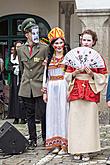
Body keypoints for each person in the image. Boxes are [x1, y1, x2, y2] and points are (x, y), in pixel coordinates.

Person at [64, 29, 108, 161]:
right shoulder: (74, 56)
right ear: (81, 40)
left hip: (90, 90)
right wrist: (75, 72)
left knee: (89, 122)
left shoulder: (97, 58)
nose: (86, 42)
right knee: (76, 121)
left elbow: (104, 77)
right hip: (76, 90)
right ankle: (76, 149)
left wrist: (92, 74)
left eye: (89, 40)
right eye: (84, 39)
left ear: (93, 42)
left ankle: (87, 150)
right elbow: (66, 76)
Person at [17, 18, 49, 149]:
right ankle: (32, 139)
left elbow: (47, 69)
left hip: (39, 86)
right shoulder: (21, 50)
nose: (35, 33)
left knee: (42, 114)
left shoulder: (44, 48)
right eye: (31, 31)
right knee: (29, 115)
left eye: (36, 30)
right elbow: (22, 68)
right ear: (26, 34)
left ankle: (46, 138)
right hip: (26, 87)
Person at [42, 27, 70, 154]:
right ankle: (56, 143)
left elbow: (71, 76)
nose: (58, 45)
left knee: (64, 114)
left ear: (64, 43)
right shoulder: (48, 59)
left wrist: (70, 90)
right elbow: (45, 76)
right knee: (53, 115)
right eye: (56, 43)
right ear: (52, 45)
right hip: (52, 87)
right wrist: (45, 92)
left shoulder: (68, 58)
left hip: (63, 86)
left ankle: (65, 144)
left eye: (60, 42)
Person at [7, 41, 26, 124]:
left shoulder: (25, 56)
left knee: (22, 98)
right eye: (17, 47)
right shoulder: (12, 57)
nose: (18, 48)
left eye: (20, 46)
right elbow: (8, 67)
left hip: (22, 79)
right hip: (14, 80)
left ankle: (23, 117)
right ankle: (15, 117)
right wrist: (14, 69)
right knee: (14, 98)